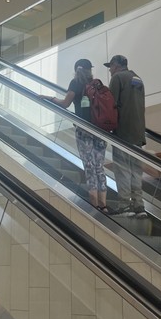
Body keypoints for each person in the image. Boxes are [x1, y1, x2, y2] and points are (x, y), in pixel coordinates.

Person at [42, 59, 108, 213]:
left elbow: (65, 103)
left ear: (76, 70)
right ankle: (104, 206)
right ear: (89, 70)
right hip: (100, 131)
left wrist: (49, 98)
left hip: (84, 130)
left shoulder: (75, 83)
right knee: (99, 167)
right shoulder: (97, 83)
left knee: (89, 167)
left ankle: (94, 205)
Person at [105, 54, 146, 217]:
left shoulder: (117, 78)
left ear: (116, 65)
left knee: (122, 169)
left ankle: (124, 204)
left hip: (123, 132)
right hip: (138, 133)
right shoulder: (138, 78)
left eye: (110, 67)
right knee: (136, 170)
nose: (109, 70)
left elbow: (110, 105)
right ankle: (138, 205)